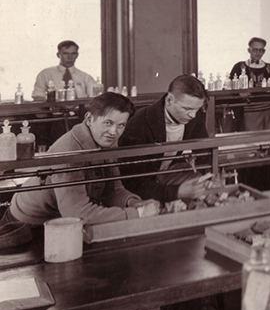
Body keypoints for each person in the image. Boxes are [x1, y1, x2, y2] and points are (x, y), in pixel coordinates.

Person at [3, 93, 159, 226]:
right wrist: (134, 214)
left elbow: (113, 190)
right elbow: (77, 212)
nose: (114, 132)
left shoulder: (106, 142)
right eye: (108, 123)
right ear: (89, 119)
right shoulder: (70, 152)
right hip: (25, 224)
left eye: (121, 125)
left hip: (59, 219)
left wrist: (133, 203)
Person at [119, 75, 211, 203]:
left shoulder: (194, 114)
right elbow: (132, 182)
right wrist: (176, 192)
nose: (193, 115)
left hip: (166, 174)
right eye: (187, 109)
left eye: (197, 109)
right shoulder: (138, 124)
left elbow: (204, 151)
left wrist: (210, 177)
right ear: (169, 100)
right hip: (141, 185)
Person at [229, 37, 270, 131]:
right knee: (252, 138)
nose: (258, 53)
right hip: (250, 110)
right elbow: (230, 86)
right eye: (255, 50)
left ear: (264, 51)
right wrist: (240, 93)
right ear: (249, 50)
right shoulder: (239, 67)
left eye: (261, 50)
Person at [31, 40, 97, 102]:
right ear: (58, 55)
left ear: (77, 55)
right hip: (53, 112)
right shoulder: (45, 74)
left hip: (80, 112)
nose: (69, 57)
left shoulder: (86, 77)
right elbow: (38, 96)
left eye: (73, 54)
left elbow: (95, 99)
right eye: (66, 54)